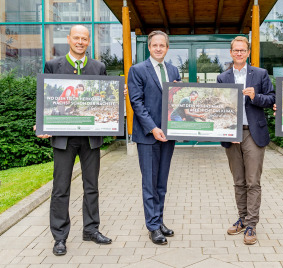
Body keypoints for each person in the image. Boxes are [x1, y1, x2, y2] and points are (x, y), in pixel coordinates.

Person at [36, 25, 112, 256]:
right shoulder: (53, 65)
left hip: (90, 138)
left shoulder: (99, 67)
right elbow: (45, 97)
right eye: (76, 38)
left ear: (89, 42)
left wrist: (116, 97)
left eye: (84, 38)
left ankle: (91, 229)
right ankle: (60, 237)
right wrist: (42, 123)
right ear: (69, 39)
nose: (80, 41)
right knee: (61, 188)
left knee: (92, 187)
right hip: (63, 137)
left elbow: (104, 98)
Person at [217, 36, 275, 245]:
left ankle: (251, 224)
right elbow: (218, 107)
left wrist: (255, 97)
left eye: (243, 50)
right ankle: (242, 219)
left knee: (253, 181)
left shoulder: (260, 74)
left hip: (253, 132)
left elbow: (272, 98)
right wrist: (226, 131)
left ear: (248, 53)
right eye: (236, 50)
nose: (239, 53)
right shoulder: (223, 77)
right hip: (232, 134)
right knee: (238, 181)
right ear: (231, 53)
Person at [127, 30, 181, 245]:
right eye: (155, 45)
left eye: (163, 45)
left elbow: (178, 99)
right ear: (149, 47)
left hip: (168, 135)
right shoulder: (137, 70)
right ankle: (152, 227)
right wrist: (153, 128)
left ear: (167, 48)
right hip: (148, 136)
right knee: (149, 183)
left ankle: (159, 221)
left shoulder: (173, 69)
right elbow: (136, 103)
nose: (159, 48)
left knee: (161, 182)